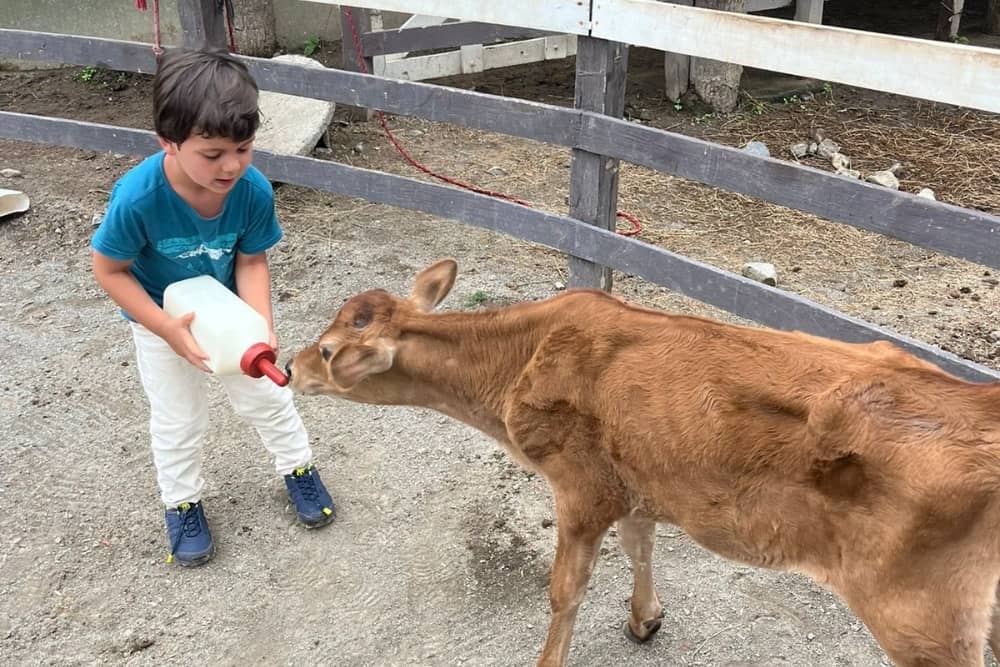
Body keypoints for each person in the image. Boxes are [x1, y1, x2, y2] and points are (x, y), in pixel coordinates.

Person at [91, 48, 335, 567]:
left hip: (229, 317)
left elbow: (250, 262)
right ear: (169, 143)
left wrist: (260, 326)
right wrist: (163, 327)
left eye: (243, 148)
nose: (231, 165)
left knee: (268, 398)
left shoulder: (252, 191)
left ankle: (298, 469)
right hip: (163, 321)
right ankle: (181, 502)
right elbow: (109, 270)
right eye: (212, 153)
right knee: (178, 418)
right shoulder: (138, 199)